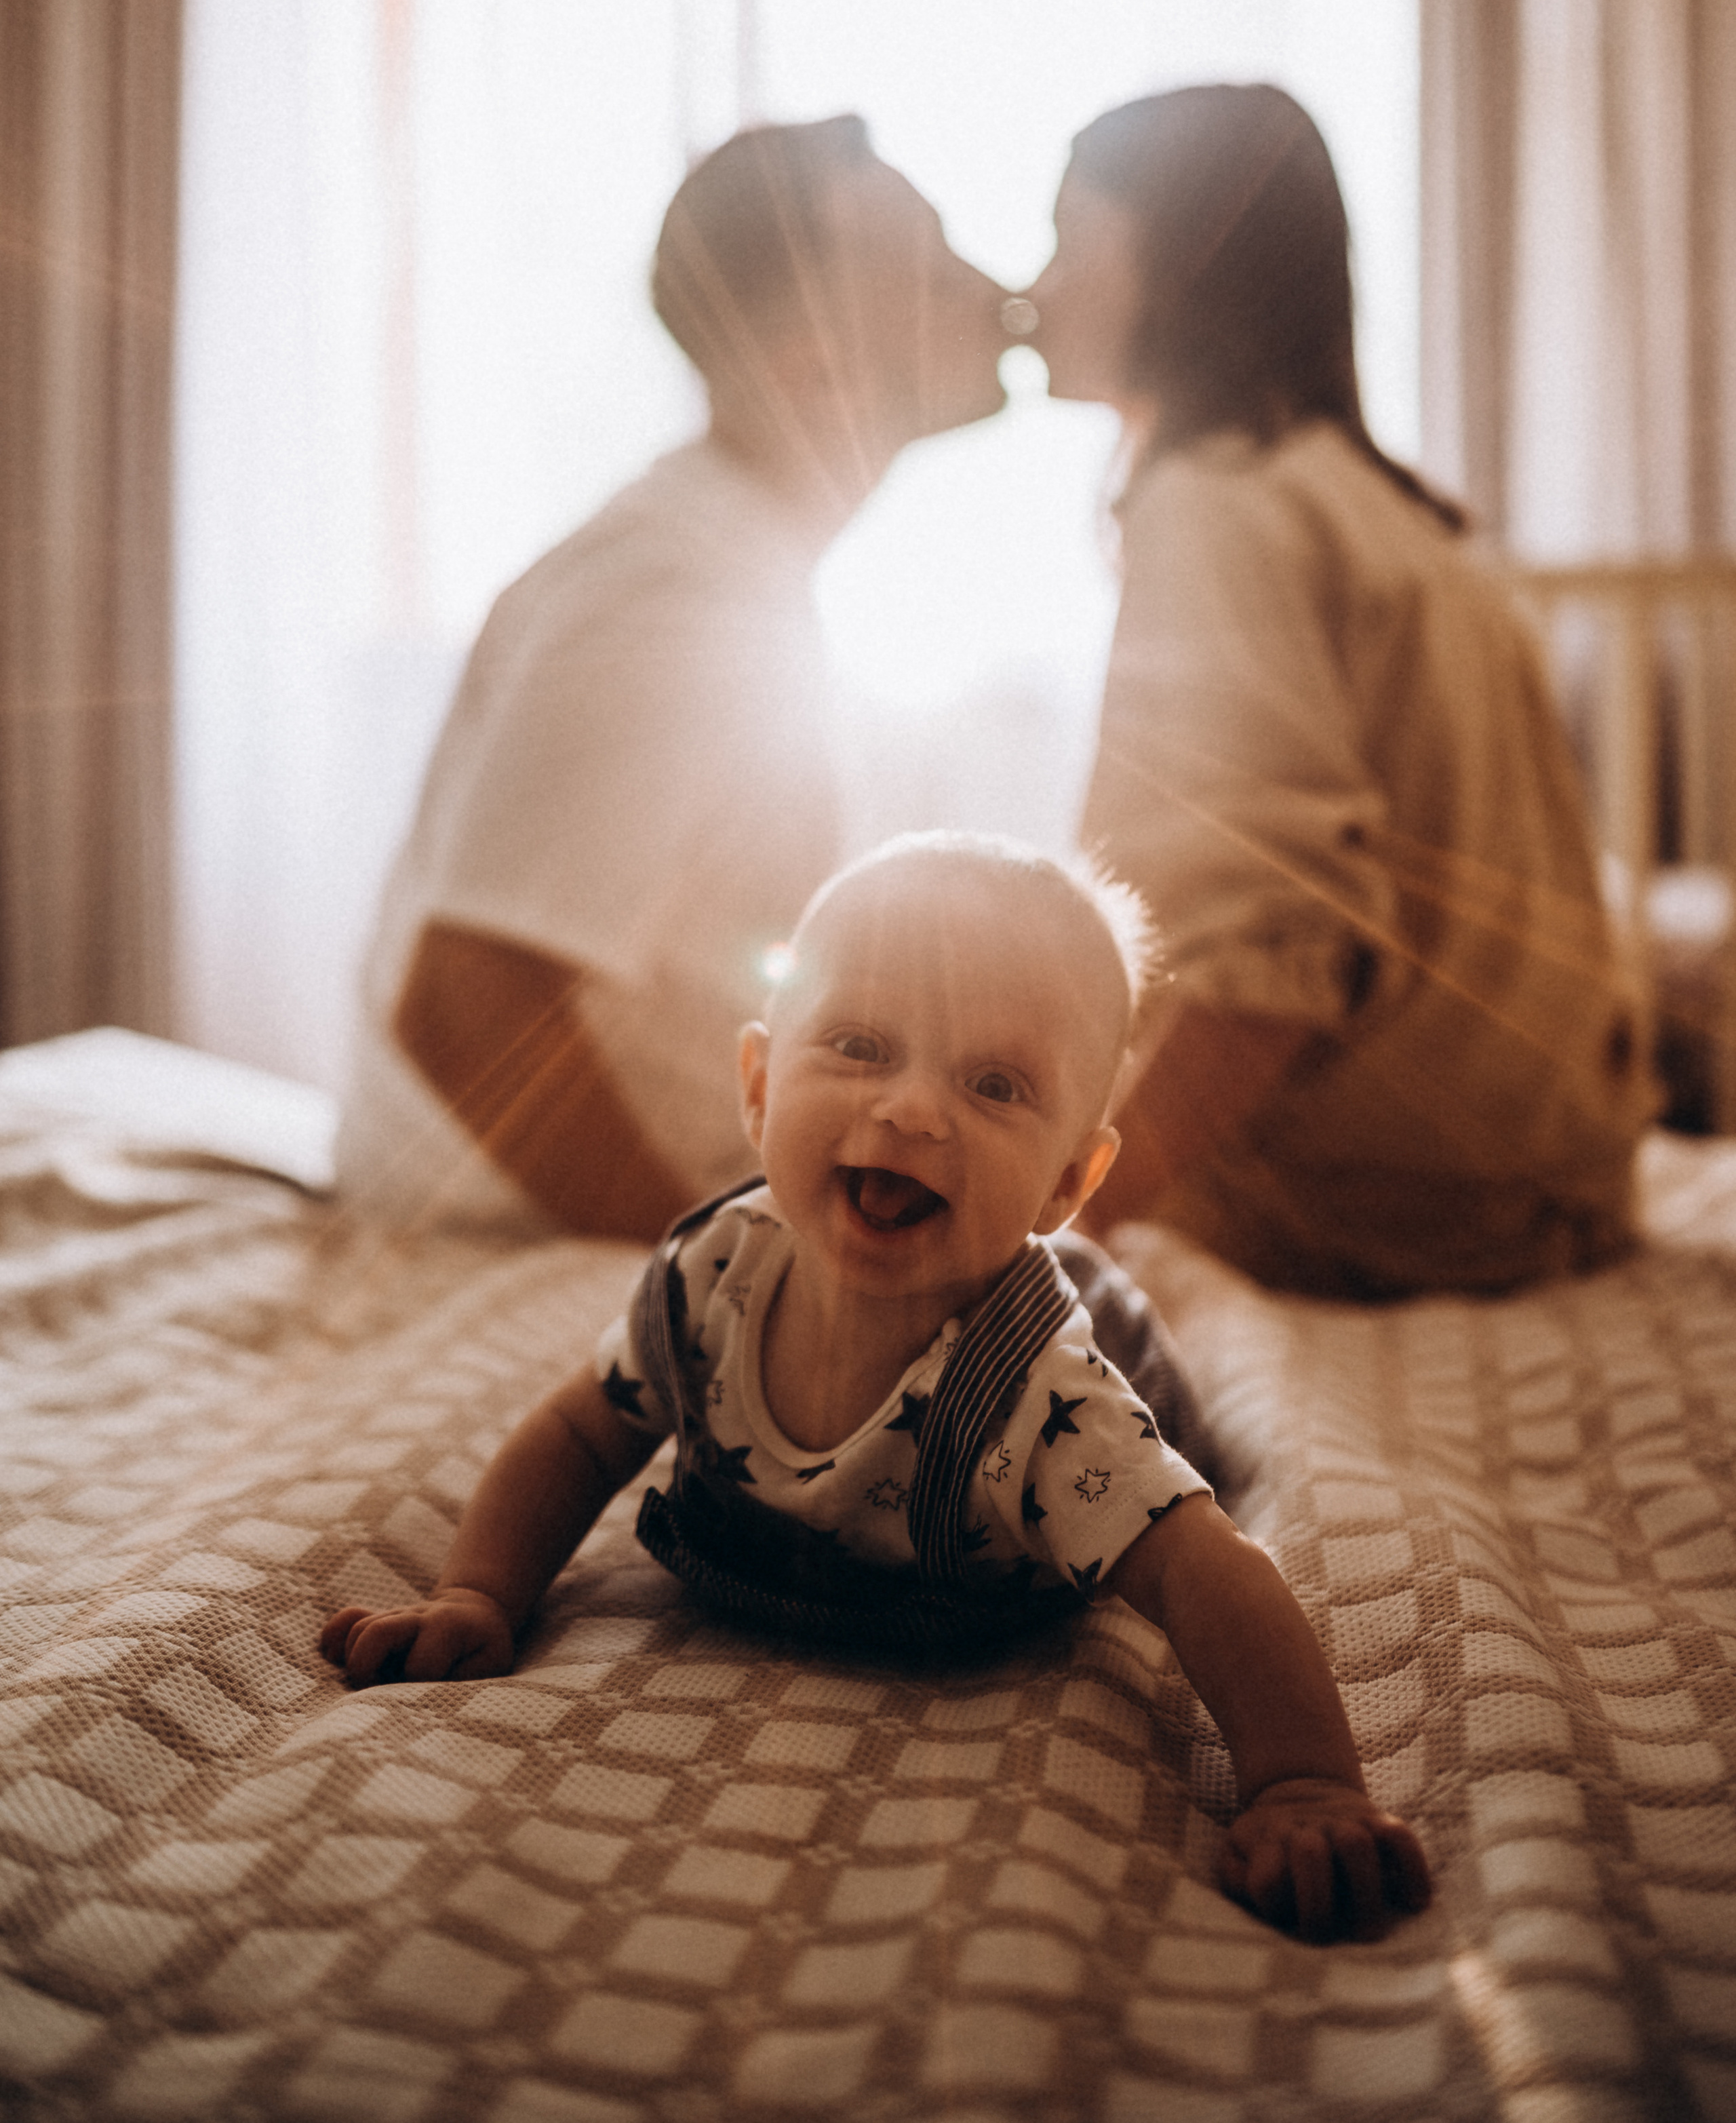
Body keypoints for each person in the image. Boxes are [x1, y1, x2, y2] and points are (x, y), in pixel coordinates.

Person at [322, 833, 1433, 1945]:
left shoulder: (1042, 1401)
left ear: (1066, 1179)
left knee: (1136, 1371)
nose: (910, 1110)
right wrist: (480, 1594)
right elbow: (580, 1429)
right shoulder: (714, 1278)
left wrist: (1303, 1783)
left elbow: (1204, 1569)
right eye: (859, 1046)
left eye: (994, 1085)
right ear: (760, 1088)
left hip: (1090, 1376)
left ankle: (1102, 1266)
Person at [1029, 83, 1654, 1299]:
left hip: (1391, 1205)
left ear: (1173, 261)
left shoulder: (1211, 503)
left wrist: (1063, 1232)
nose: (1039, 287)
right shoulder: (1381, 505)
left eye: (1069, 239)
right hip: (1557, 1177)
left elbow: (1269, 970)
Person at [337, 117, 1008, 1245]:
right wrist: (720, 1277)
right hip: (511, 1234)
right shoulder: (673, 595)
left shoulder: (739, 563)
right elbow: (465, 1000)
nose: (993, 291)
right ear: (812, 361)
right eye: (934, 271)